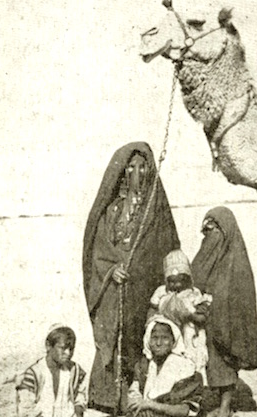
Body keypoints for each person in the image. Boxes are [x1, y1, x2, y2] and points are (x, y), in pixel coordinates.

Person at [82, 142, 180, 413]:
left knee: (145, 341)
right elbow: (100, 249)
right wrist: (113, 269)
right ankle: (108, 400)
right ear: (122, 172)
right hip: (115, 292)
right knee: (113, 345)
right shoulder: (112, 210)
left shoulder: (155, 212)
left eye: (142, 167)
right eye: (131, 167)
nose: (136, 172)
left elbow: (167, 249)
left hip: (144, 291)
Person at [190, 207, 257, 417]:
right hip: (209, 322)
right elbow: (196, 276)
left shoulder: (236, 263)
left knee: (224, 364)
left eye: (214, 231)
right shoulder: (208, 255)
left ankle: (225, 407)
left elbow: (239, 299)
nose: (210, 236)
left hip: (226, 325)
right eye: (207, 231)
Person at [149, 249, 213, 383]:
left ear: (187, 278)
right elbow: (152, 310)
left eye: (180, 281)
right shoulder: (161, 292)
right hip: (169, 336)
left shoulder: (193, 294)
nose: (175, 285)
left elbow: (202, 318)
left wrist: (188, 315)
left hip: (189, 337)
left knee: (191, 364)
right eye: (171, 281)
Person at [127, 315, 204, 417]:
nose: (159, 343)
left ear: (173, 341)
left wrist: (152, 406)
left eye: (165, 338)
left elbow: (186, 410)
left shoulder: (185, 367)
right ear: (148, 340)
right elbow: (133, 397)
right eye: (154, 338)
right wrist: (141, 407)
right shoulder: (144, 365)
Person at [16, 324, 87, 417]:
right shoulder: (34, 374)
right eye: (63, 348)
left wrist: (78, 410)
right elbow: (25, 409)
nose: (68, 353)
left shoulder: (75, 371)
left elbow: (80, 398)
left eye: (71, 349)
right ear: (48, 346)